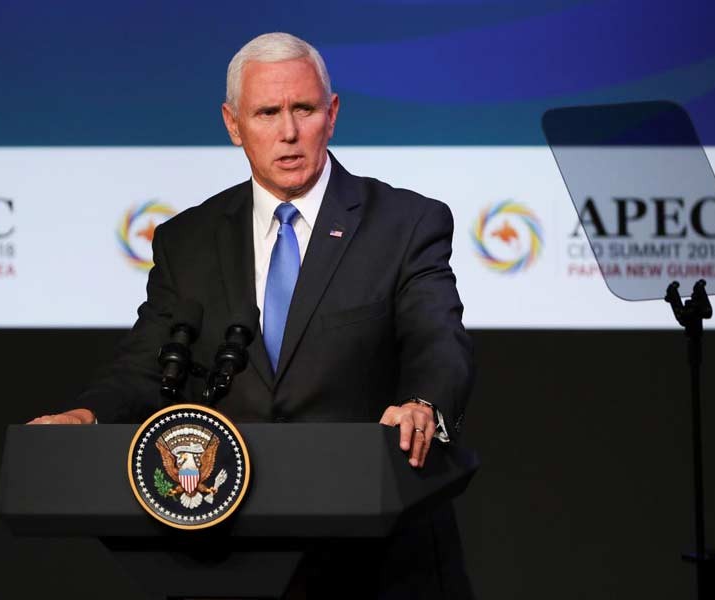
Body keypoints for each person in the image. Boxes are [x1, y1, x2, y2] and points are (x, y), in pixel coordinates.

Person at [30, 32, 474, 598]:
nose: (288, 132)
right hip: (234, 552)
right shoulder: (187, 240)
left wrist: (424, 402)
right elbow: (147, 363)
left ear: (331, 114)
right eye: (267, 113)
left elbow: (438, 339)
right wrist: (86, 417)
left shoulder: (405, 223)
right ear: (233, 124)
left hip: (380, 556)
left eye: (304, 109)